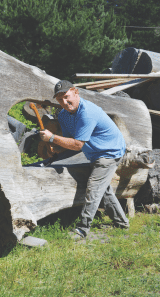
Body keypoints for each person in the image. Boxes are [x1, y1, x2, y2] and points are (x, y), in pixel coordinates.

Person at [40, 80, 129, 238]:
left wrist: (52, 137)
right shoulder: (63, 115)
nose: (65, 102)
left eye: (67, 97)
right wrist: (55, 150)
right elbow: (68, 142)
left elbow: (77, 145)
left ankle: (82, 230)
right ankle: (122, 223)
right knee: (104, 190)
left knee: (94, 188)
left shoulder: (87, 112)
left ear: (76, 92)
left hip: (110, 151)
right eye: (60, 100)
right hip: (94, 153)